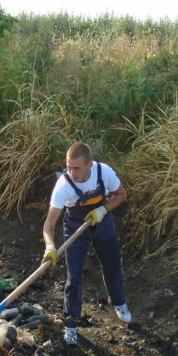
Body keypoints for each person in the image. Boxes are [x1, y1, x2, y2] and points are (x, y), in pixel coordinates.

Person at [42, 142, 131, 345]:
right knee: (73, 276)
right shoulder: (64, 186)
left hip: (102, 220)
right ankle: (71, 324)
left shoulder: (103, 172)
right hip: (75, 226)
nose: (71, 172)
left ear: (89, 164)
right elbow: (49, 223)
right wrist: (50, 246)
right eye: (68, 167)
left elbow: (121, 195)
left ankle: (119, 303)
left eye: (77, 168)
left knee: (112, 263)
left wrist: (103, 210)